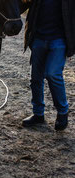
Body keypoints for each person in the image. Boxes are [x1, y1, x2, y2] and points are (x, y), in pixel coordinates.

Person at [20, 0, 75, 131]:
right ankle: (38, 113)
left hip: (59, 40)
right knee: (36, 78)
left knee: (52, 73)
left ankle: (62, 112)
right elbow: (19, 6)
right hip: (38, 38)